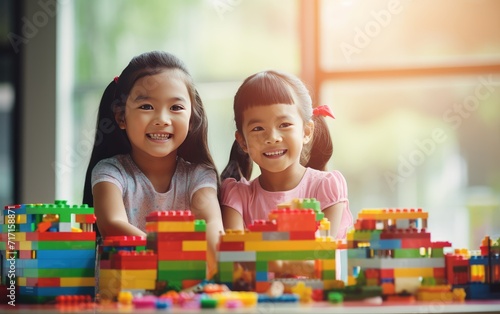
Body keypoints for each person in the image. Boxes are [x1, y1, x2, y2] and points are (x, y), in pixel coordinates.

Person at [83, 51, 223, 276]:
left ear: (192, 118)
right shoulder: (110, 172)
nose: (162, 119)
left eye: (176, 108)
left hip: (185, 296)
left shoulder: (199, 175)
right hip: (123, 297)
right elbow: (111, 224)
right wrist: (172, 259)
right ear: (121, 117)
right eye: (146, 106)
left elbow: (211, 226)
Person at [220, 70, 353, 239]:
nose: (272, 138)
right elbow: (236, 254)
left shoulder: (326, 187)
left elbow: (320, 254)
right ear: (242, 142)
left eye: (284, 124)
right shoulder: (236, 196)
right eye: (258, 128)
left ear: (306, 132)